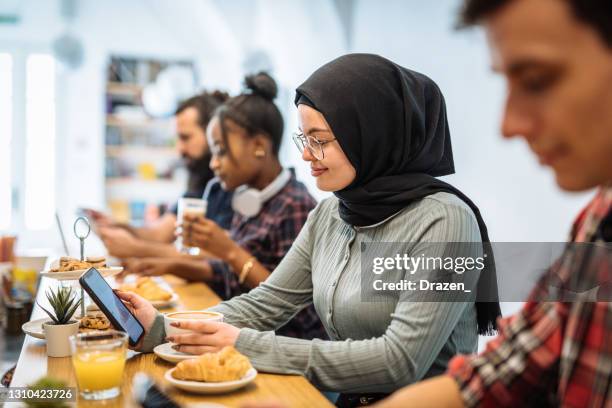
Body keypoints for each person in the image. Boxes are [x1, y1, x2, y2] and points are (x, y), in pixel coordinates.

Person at [117, 54, 501, 405]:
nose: (304, 154)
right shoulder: (332, 212)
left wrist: (243, 344)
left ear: (370, 135)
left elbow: (399, 360)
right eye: (305, 139)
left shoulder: (446, 221)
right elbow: (266, 303)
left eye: (320, 140)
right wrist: (164, 327)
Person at [370, 0, 612, 407]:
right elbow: (499, 375)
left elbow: (399, 358)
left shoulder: (445, 216)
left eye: (536, 81)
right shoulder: (599, 222)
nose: (508, 124)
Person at [126, 72, 327, 341]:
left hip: (284, 346)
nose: (214, 163)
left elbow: (294, 306)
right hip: (243, 330)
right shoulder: (248, 198)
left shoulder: (296, 206)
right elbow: (231, 278)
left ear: (258, 146)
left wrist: (230, 251)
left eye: (220, 150)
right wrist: (171, 263)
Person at [92, 91, 234, 259]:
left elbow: (219, 256)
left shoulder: (233, 188)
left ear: (213, 133)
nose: (179, 149)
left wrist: (136, 249)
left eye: (185, 138)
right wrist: (118, 226)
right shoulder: (201, 183)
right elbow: (159, 234)